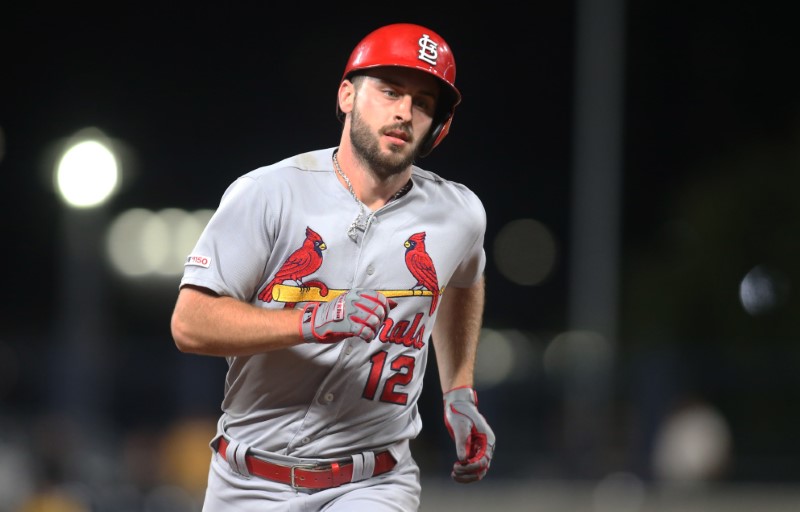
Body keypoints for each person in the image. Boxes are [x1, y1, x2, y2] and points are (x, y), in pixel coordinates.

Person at [170, 22, 495, 511]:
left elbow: (465, 281)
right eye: (389, 91)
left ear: (437, 127)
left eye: (423, 103)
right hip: (250, 479)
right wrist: (311, 320)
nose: (405, 111)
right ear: (347, 95)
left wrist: (460, 391)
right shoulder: (270, 192)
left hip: (374, 482)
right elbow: (190, 324)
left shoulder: (458, 214)